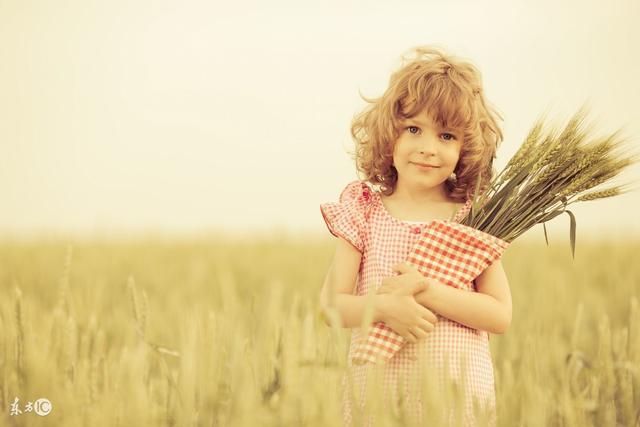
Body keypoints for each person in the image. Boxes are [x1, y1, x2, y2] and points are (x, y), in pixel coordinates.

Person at [319, 46, 513, 427]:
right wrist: (384, 308)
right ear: (388, 136)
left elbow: (499, 314)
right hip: (378, 399)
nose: (428, 148)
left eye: (446, 135)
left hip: (457, 404)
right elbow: (330, 305)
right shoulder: (365, 213)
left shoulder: (471, 220)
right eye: (413, 129)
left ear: (465, 149)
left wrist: (428, 292)